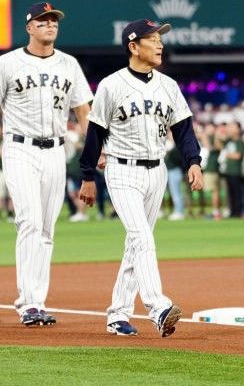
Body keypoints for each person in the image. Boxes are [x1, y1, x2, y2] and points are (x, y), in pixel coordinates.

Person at [0, 2, 93, 326]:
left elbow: (83, 111)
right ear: (29, 28)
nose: (50, 25)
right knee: (29, 221)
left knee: (47, 229)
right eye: (42, 20)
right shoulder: (8, 63)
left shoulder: (69, 64)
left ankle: (37, 300)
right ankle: (29, 303)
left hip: (55, 151)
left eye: (53, 20)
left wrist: (94, 153)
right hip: (19, 148)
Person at [78, 19, 203, 338]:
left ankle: (118, 313)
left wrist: (193, 161)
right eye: (152, 39)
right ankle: (158, 306)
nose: (160, 44)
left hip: (156, 170)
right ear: (133, 46)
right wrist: (88, 175)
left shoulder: (168, 86)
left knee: (136, 243)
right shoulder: (112, 85)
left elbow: (184, 129)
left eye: (160, 38)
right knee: (142, 237)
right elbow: (95, 134)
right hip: (122, 169)